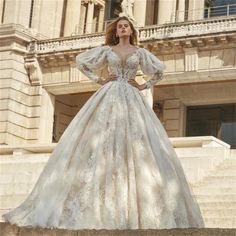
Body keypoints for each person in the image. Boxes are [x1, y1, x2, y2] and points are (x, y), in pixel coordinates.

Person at [3, 16, 204, 230]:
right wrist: (99, 80)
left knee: (137, 143)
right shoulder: (107, 51)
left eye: (126, 26)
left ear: (131, 30)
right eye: (120, 26)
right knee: (102, 139)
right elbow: (81, 62)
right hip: (110, 93)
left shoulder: (140, 53)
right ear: (116, 32)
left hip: (132, 97)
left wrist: (144, 85)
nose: (123, 28)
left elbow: (160, 70)